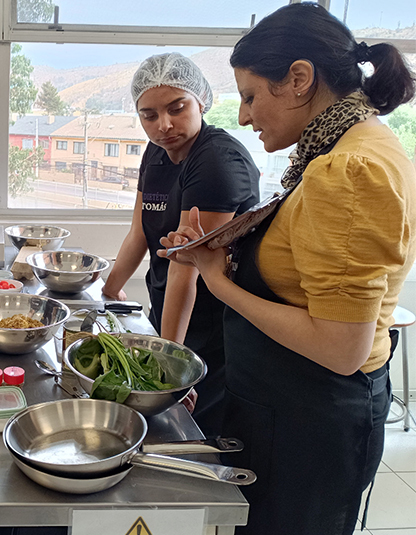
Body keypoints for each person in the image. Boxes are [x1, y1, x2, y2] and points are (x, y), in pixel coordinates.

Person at [160, 4, 416, 534]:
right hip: (287, 406)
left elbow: (340, 348)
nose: (245, 116)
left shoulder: (350, 169)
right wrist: (220, 250)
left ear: (299, 79)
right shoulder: (342, 150)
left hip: (312, 421)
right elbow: (306, 271)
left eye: (251, 96)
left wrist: (217, 282)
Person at [101, 53, 260, 436]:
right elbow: (140, 230)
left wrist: (169, 364)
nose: (164, 125)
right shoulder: (157, 152)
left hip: (213, 326)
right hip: (171, 311)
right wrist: (105, 291)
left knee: (194, 432)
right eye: (149, 115)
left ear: (201, 100)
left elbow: (186, 266)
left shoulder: (217, 161)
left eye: (177, 108)